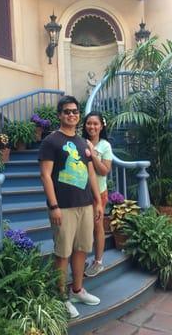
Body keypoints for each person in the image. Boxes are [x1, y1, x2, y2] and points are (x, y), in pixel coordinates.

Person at [38, 95, 103, 319]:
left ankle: (77, 290)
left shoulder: (83, 142)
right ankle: (62, 297)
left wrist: (97, 201)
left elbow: (90, 173)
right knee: (62, 252)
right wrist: (53, 205)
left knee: (82, 248)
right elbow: (46, 175)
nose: (72, 115)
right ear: (59, 115)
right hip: (63, 207)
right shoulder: (51, 141)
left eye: (75, 111)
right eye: (67, 111)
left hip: (85, 205)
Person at [82, 111, 112, 277]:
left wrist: (93, 154)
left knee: (97, 226)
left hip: (98, 193)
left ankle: (98, 261)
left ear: (101, 126)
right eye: (89, 123)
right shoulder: (80, 142)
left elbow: (104, 171)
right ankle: (82, 258)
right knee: (82, 228)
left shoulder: (105, 146)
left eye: (95, 124)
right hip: (80, 192)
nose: (92, 126)